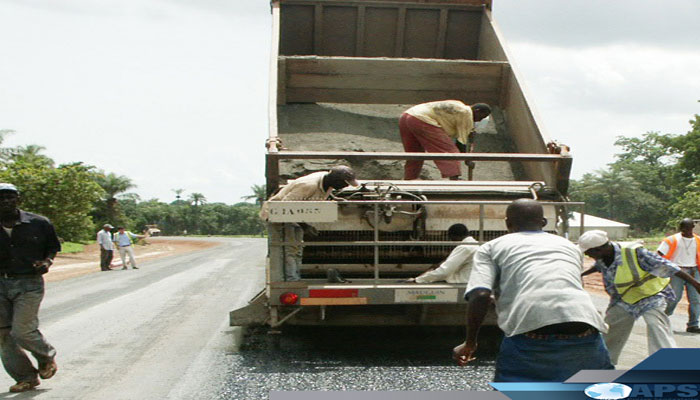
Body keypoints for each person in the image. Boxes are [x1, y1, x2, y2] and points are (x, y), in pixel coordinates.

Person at [453, 199, 611, 382]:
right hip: (585, 329)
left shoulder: (490, 247)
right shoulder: (569, 247)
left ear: (507, 223)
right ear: (543, 223)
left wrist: (470, 343)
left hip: (531, 335)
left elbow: (480, 295)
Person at [579, 229, 700, 366]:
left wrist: (696, 284)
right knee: (611, 330)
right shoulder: (603, 257)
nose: (587, 255)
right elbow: (598, 267)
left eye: (589, 252)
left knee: (656, 326)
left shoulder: (635, 252)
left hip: (650, 296)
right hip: (624, 299)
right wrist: (581, 274)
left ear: (600, 249)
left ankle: (667, 365)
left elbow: (669, 266)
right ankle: (603, 364)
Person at [0, 183, 60, 392]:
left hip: (29, 283)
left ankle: (45, 356)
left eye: (10, 197)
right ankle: (25, 377)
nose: (5, 201)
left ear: (18, 199)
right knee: (3, 334)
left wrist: (47, 262)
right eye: (1, 198)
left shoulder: (39, 223)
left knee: (22, 331)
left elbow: (52, 248)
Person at [260, 166, 359, 281]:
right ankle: (290, 279)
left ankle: (294, 277)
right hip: (277, 215)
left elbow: (321, 191)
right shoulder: (308, 185)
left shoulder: (326, 180)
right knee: (288, 249)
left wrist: (334, 198)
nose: (346, 186)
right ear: (336, 180)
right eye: (345, 183)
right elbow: (285, 208)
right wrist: (305, 226)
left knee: (296, 248)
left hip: (295, 214)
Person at [399, 100, 491, 180]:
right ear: (477, 111)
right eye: (481, 117)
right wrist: (467, 160)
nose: (478, 121)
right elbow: (460, 143)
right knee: (450, 151)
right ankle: (454, 180)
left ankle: (410, 179)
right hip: (421, 120)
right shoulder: (467, 113)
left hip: (407, 116)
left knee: (416, 153)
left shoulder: (459, 106)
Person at [657, 219, 700, 333]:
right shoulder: (671, 240)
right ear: (681, 228)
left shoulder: (698, 240)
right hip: (676, 272)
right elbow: (659, 254)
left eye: (689, 228)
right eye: (684, 228)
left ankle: (693, 325)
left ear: (692, 227)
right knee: (674, 298)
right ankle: (662, 319)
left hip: (693, 271)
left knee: (696, 299)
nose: (687, 230)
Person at [406, 224, 477, 283]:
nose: (452, 241)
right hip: (471, 281)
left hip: (462, 282)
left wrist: (419, 280)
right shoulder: (475, 244)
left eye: (451, 238)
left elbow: (444, 271)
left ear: (453, 236)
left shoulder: (464, 247)